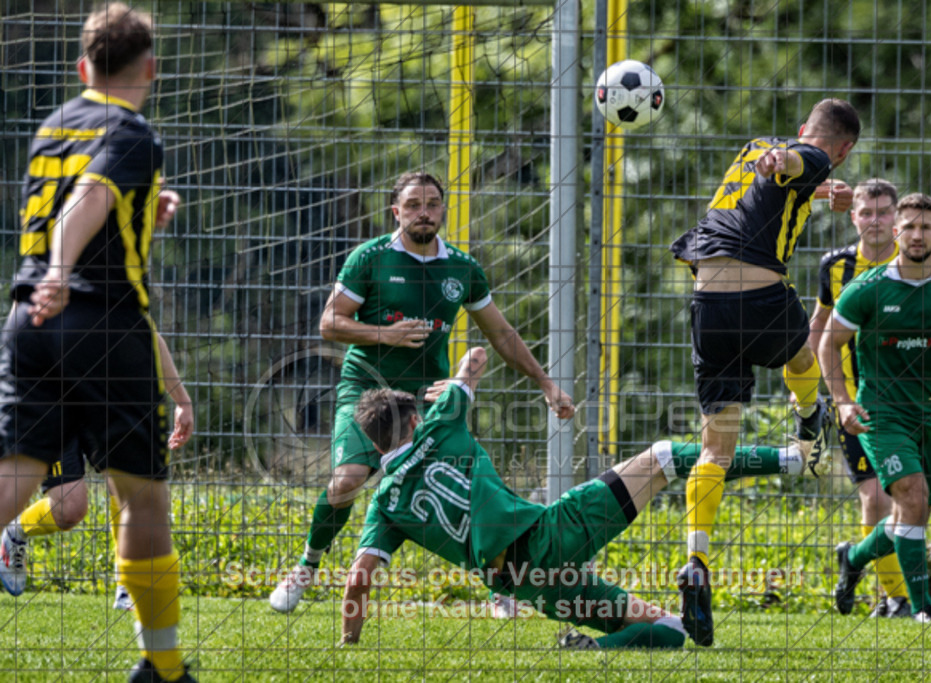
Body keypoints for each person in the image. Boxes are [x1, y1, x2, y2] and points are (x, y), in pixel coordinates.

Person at [339, 347, 813, 649]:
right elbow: (477, 355)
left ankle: (595, 649)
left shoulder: (384, 503)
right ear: (415, 421)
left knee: (672, 631)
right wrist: (458, 382)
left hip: (526, 584)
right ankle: (792, 459)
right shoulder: (441, 422)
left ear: (376, 446)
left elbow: (359, 578)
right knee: (666, 457)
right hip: (548, 537)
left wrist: (348, 640)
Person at [269, 171, 576, 613]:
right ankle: (306, 567)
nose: (424, 212)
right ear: (396, 211)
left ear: (443, 210)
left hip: (426, 396)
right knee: (347, 481)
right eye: (413, 205)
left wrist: (546, 383)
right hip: (367, 392)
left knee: (469, 489)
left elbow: (501, 334)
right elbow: (329, 323)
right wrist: (385, 335)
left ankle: (500, 585)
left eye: (432, 203)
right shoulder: (370, 258)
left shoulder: (462, 269)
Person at [0, 4, 196, 681]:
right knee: (143, 497)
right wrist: (62, 270)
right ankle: (163, 665)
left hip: (28, 320)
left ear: (83, 67)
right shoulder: (133, 130)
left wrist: (144, 213)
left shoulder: (54, 124)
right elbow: (84, 202)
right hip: (100, 324)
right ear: (151, 68)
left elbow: (84, 204)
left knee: (14, 477)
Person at [668, 98, 861, 646]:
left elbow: (773, 178)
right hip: (758, 296)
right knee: (802, 354)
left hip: (707, 304)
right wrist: (796, 165)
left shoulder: (754, 147)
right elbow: (795, 163)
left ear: (803, 126)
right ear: (844, 149)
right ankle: (810, 415)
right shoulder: (813, 156)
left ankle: (696, 562)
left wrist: (821, 189)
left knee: (715, 451)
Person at [821, 193, 931, 624]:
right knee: (912, 495)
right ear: (896, 233)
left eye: (925, 227)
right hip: (881, 413)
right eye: (908, 227)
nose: (916, 235)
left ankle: (853, 558)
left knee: (912, 512)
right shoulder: (866, 289)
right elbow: (827, 345)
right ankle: (922, 609)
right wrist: (843, 402)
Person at [0, 332, 193, 611]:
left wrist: (182, 401)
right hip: (50, 406)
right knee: (69, 510)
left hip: (101, 403)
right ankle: (15, 532)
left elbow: (150, 337)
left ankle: (128, 585)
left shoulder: (117, 304)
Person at [808, 178, 910, 618]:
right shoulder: (835, 266)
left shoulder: (915, 265)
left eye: (884, 212)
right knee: (877, 497)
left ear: (897, 218)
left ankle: (856, 560)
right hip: (851, 400)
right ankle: (894, 599)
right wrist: (806, 385)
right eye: (866, 213)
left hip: (905, 402)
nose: (875, 221)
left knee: (910, 499)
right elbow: (819, 325)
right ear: (853, 217)